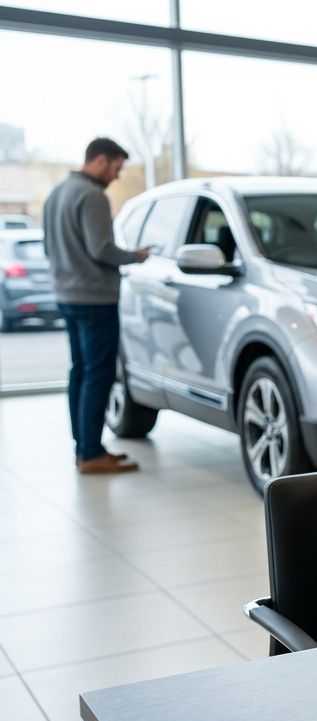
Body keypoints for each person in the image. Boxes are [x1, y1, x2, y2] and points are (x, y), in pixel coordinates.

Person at [43, 137, 150, 474]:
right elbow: (101, 249)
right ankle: (90, 454)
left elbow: (49, 248)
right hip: (95, 299)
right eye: (116, 168)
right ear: (101, 160)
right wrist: (136, 256)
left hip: (67, 296)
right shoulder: (92, 196)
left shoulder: (57, 194)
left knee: (80, 372)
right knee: (99, 375)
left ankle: (86, 447)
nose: (116, 177)